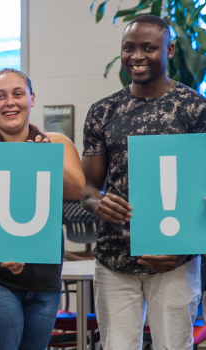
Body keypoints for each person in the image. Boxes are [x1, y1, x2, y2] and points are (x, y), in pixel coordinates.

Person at [81, 15, 206, 349]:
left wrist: (185, 250)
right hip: (114, 257)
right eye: (128, 48)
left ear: (170, 50)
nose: (136, 56)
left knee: (173, 346)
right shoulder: (103, 111)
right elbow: (89, 189)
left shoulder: (196, 109)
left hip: (174, 259)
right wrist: (98, 203)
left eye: (148, 48)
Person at [0, 68, 85, 350]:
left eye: (18, 94)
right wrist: (7, 246)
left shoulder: (56, 143)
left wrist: (43, 157)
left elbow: (77, 189)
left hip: (44, 280)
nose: (10, 102)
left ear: (32, 98)